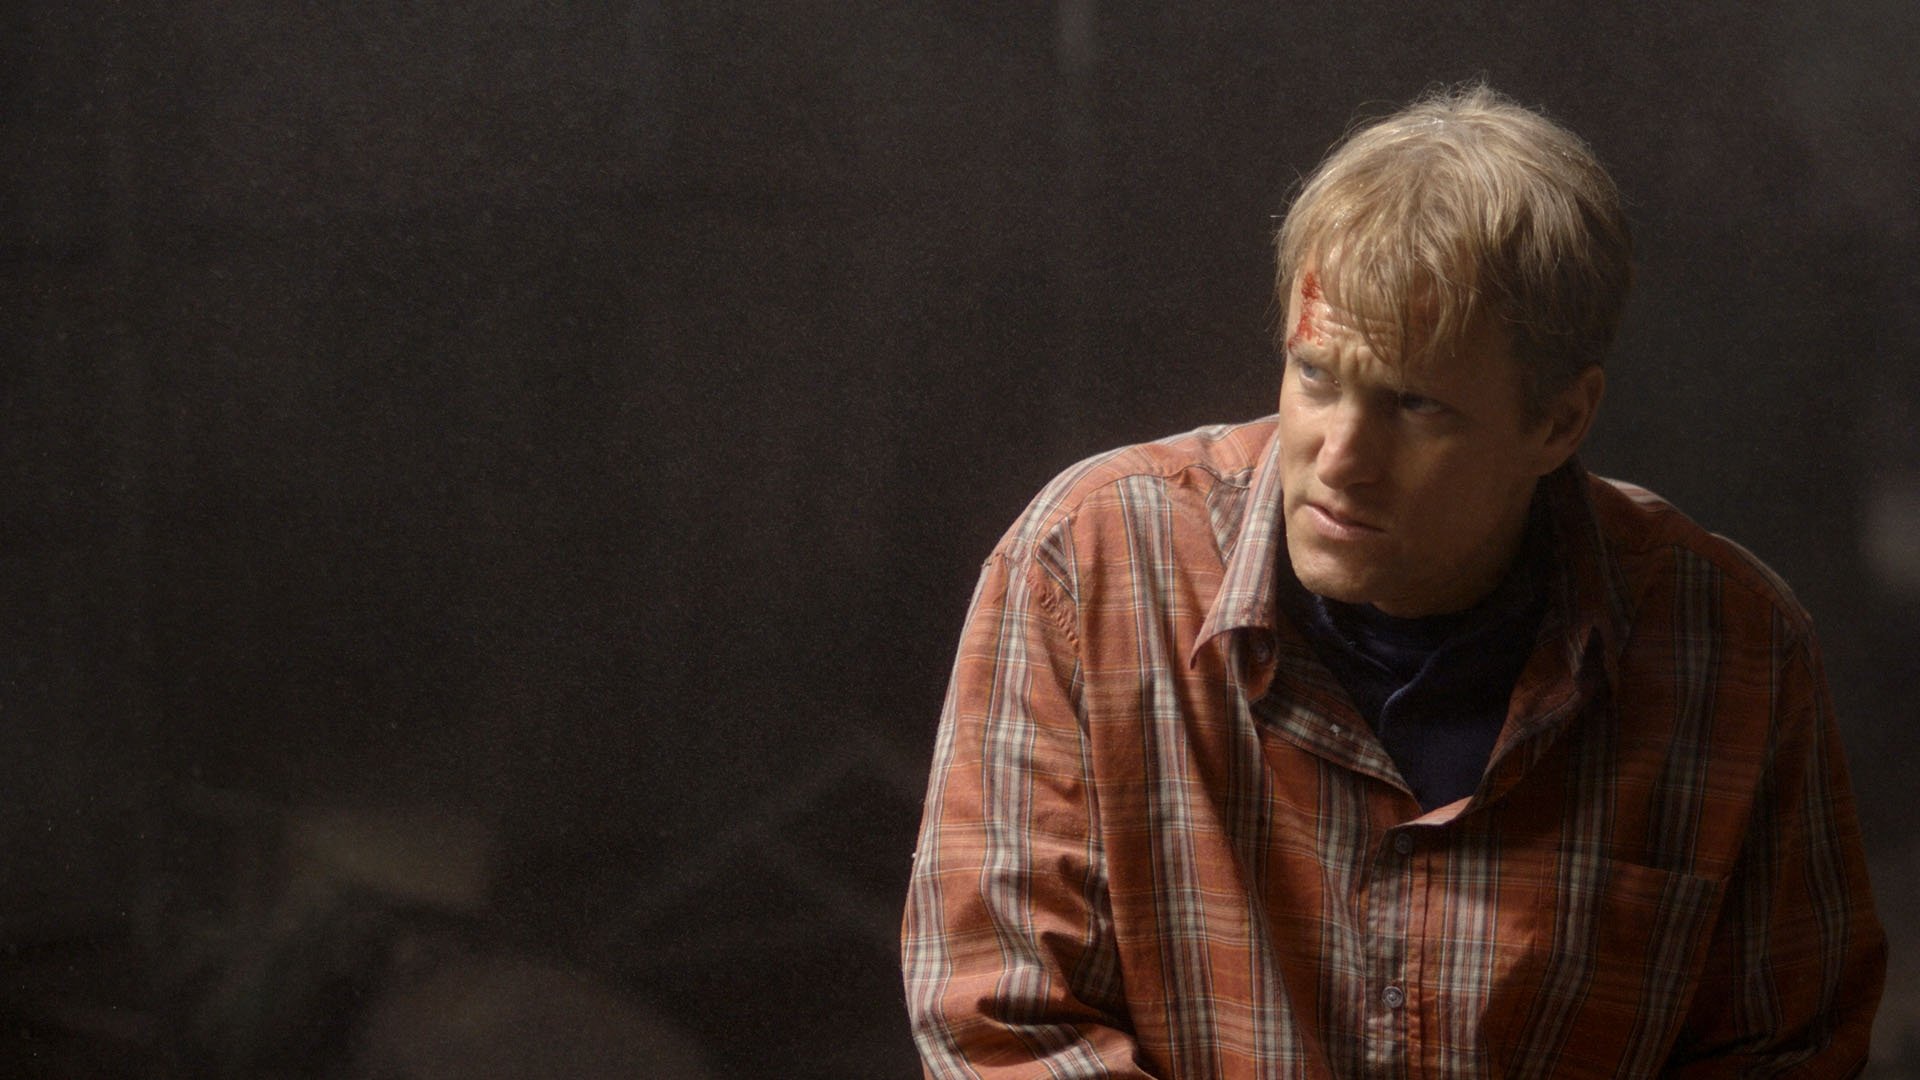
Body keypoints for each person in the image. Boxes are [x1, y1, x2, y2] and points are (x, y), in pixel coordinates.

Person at [901, 84, 1885, 1078]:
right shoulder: (1090, 567)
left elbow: (1786, 1049)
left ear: (1559, 422)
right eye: (1316, 376)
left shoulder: (1732, 652)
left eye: (1415, 405)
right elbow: (1004, 1021)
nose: (1340, 458)